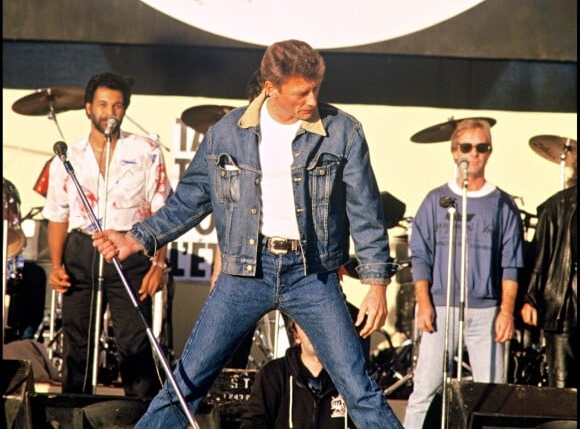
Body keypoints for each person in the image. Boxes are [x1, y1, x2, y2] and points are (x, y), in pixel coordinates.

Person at [93, 39, 403, 428]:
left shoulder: (343, 132)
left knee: (359, 389)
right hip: (244, 272)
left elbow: (366, 212)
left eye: (316, 89)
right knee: (185, 384)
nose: (312, 99)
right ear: (270, 88)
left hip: (311, 275)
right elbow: (191, 199)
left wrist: (376, 284)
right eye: (301, 92)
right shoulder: (228, 133)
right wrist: (135, 238)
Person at [43, 72, 172, 396]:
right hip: (81, 252)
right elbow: (58, 216)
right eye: (102, 104)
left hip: (129, 249)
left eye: (117, 105)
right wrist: (57, 265)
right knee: (77, 343)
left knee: (134, 342)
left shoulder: (147, 150)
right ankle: (73, 412)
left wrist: (158, 265)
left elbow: (163, 211)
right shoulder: (67, 156)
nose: (109, 112)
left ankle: (139, 416)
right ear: (88, 108)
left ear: (124, 110)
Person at [404, 118, 524, 429]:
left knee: (493, 394)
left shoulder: (502, 204)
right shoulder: (435, 200)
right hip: (440, 309)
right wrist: (424, 302)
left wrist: (506, 312)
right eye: (467, 147)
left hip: (486, 311)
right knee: (424, 390)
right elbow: (420, 255)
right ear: (453, 150)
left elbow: (511, 262)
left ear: (490, 151)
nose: (474, 154)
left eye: (482, 147)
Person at [239, 320, 355, 428]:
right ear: (296, 334)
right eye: (306, 323)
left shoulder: (351, 377)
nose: (315, 331)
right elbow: (253, 422)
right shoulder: (274, 374)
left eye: (320, 321)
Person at [520, 179, 577, 388]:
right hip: (565, 306)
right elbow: (540, 255)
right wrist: (530, 298)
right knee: (562, 387)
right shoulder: (558, 206)